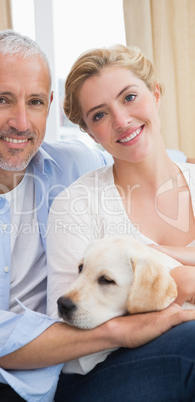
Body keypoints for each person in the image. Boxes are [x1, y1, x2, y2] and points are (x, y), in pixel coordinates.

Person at [0, 30, 194, 402]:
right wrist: (122, 330)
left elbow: (137, 150)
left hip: (45, 372)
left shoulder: (73, 163)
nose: (21, 122)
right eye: (2, 100)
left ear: (49, 105)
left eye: (35, 102)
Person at [46, 44, 195, 401]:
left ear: (155, 94)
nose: (122, 120)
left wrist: (164, 256)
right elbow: (66, 324)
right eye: (99, 115)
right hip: (99, 373)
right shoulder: (76, 206)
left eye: (129, 97)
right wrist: (181, 283)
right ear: (89, 132)